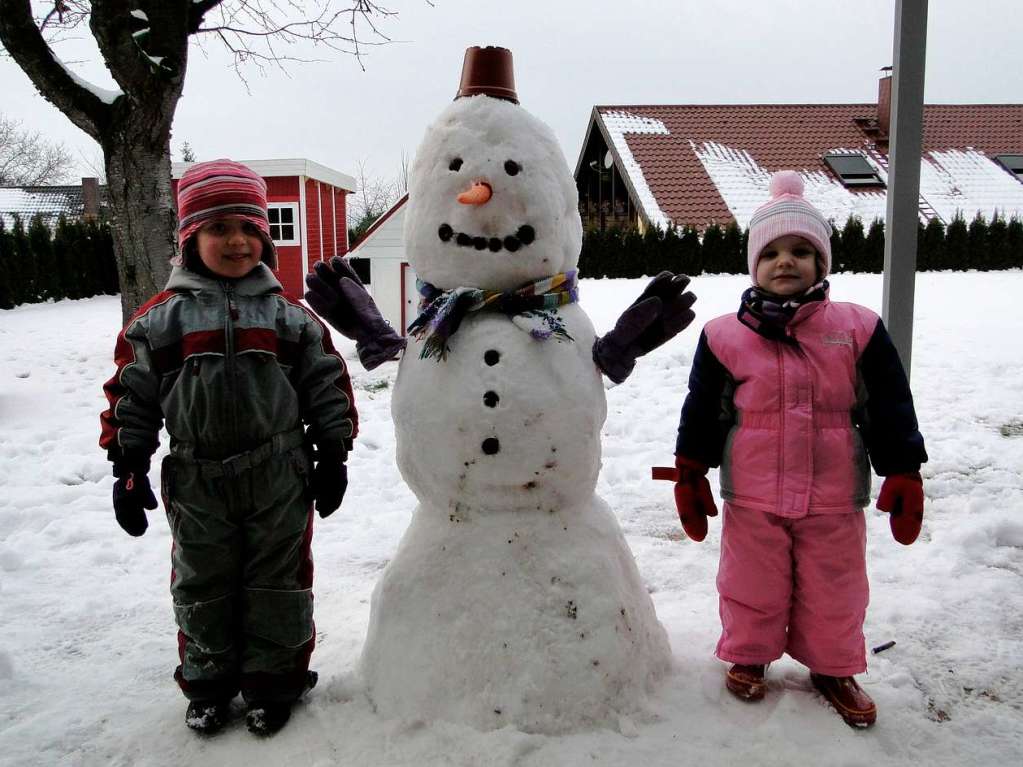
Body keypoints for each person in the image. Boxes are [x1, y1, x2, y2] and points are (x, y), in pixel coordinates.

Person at [655, 171, 926, 728]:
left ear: (823, 263)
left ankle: (833, 666)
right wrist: (690, 471)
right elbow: (704, 408)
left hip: (833, 493)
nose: (786, 261)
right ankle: (749, 653)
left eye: (802, 251)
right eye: (772, 252)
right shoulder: (723, 335)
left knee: (836, 586)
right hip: (753, 492)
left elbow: (889, 403)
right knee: (750, 579)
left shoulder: (857, 328)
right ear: (753, 264)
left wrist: (903, 470)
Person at [99, 159, 357, 736]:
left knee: (279, 580)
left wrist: (332, 454)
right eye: (218, 229)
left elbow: (325, 385)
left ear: (264, 238)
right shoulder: (159, 322)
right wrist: (129, 466)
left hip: (279, 473)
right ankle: (209, 683)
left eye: (248, 228)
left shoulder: (292, 319)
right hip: (196, 478)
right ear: (191, 239)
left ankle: (274, 681)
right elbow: (131, 398)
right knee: (202, 581)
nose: (236, 241)